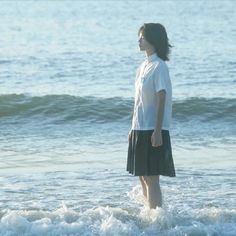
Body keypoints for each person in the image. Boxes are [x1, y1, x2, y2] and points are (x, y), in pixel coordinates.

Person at [127, 23, 176, 209]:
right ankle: (149, 213)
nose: (139, 40)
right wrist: (132, 128)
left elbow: (162, 98)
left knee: (152, 177)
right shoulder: (142, 67)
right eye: (139, 36)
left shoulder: (159, 66)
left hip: (153, 129)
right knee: (142, 175)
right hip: (139, 127)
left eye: (143, 37)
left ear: (153, 41)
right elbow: (138, 101)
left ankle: (157, 219)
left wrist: (157, 131)